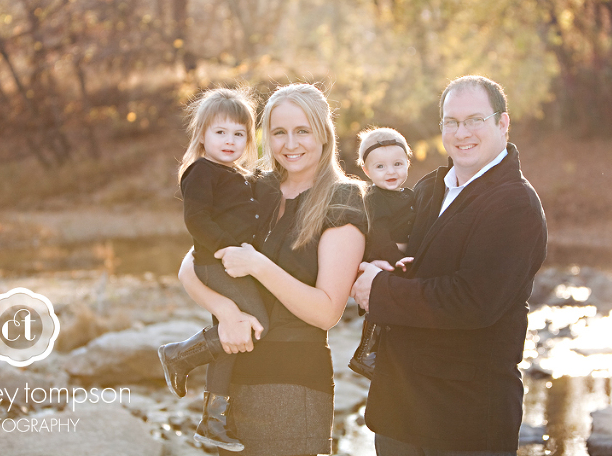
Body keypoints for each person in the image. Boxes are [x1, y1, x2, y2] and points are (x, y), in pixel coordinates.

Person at [351, 75, 548, 455]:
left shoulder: (515, 204)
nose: (462, 133)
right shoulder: (429, 188)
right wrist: (375, 267)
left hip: (465, 419)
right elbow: (395, 256)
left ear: (502, 123)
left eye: (474, 120)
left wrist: (379, 289)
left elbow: (473, 301)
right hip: (399, 411)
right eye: (451, 122)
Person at [176, 83, 367, 456]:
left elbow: (327, 312)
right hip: (233, 383)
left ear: (323, 134)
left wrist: (259, 266)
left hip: (293, 386)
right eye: (279, 132)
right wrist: (226, 312)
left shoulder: (343, 199)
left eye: (302, 131)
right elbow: (190, 265)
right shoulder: (254, 187)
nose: (290, 144)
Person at [158, 87, 268, 451]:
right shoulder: (201, 171)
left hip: (233, 264)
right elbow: (197, 219)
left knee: (232, 337)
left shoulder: (236, 174)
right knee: (256, 324)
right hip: (216, 264)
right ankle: (179, 355)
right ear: (202, 135)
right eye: (221, 132)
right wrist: (225, 248)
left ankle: (213, 422)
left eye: (239, 134)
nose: (230, 141)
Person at [348, 127, 416, 380]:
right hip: (384, 257)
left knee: (395, 311)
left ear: (408, 162)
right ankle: (364, 354)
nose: (391, 172)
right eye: (380, 167)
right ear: (366, 171)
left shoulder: (409, 196)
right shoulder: (374, 198)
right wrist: (396, 259)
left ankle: (388, 354)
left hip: (402, 259)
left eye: (398, 164)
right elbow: (378, 233)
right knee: (379, 309)